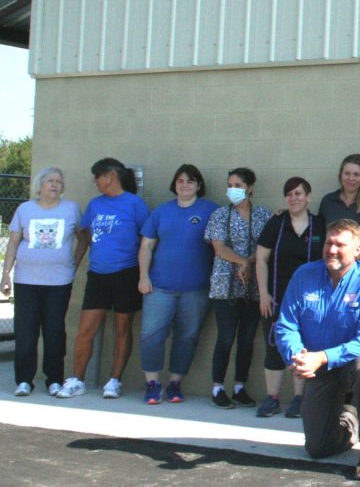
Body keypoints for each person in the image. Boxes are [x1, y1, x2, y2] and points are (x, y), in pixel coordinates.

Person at [274, 219, 360, 480]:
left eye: (340, 245)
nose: (332, 250)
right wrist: (297, 354)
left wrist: (323, 356)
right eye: (328, 243)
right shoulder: (304, 275)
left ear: (357, 250)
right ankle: (352, 421)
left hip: (350, 363)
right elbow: (286, 325)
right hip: (317, 366)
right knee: (317, 448)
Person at [57, 158, 149, 399]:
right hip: (97, 275)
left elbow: (146, 240)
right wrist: (77, 261)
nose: (95, 181)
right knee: (86, 329)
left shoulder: (135, 204)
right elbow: (84, 234)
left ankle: (114, 381)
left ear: (111, 175)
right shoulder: (95, 204)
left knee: (122, 328)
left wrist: (142, 274)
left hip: (126, 274)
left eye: (97, 176)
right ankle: (77, 380)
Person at [137, 164, 219, 404]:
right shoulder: (162, 212)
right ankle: (152, 384)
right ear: (174, 184)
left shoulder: (210, 210)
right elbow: (146, 246)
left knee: (188, 336)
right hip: (159, 288)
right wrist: (143, 276)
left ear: (199, 185)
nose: (185, 185)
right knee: (151, 336)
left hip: (196, 289)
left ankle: (175, 384)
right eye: (180, 180)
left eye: (190, 181)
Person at [1, 167, 81, 396]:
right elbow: (14, 243)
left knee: (54, 331)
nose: (55, 185)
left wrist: (74, 261)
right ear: (40, 185)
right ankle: (24, 380)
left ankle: (54, 380)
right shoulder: (25, 209)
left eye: (58, 181)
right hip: (26, 280)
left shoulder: (71, 209)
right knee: (26, 331)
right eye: (50, 181)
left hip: (59, 282)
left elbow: (84, 238)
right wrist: (6, 274)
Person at [255, 176, 326, 418]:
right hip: (276, 297)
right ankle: (272, 398)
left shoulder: (319, 225)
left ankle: (299, 399)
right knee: (274, 346)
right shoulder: (277, 223)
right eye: (289, 194)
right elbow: (261, 259)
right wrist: (263, 293)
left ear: (308, 196)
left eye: (298, 193)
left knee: (304, 348)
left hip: (309, 300)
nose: (293, 198)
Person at [204, 167, 272, 408]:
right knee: (225, 337)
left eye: (238, 185)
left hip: (253, 286)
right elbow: (219, 248)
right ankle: (217, 388)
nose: (233, 190)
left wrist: (251, 262)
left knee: (246, 339)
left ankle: (240, 386)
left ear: (250, 188)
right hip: (225, 284)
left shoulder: (263, 215)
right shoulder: (220, 215)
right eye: (230, 184)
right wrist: (243, 262)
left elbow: (267, 246)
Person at [319, 154, 360, 265]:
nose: (351, 178)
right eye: (347, 173)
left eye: (356, 174)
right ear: (340, 175)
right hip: (332, 264)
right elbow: (317, 231)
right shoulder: (328, 201)